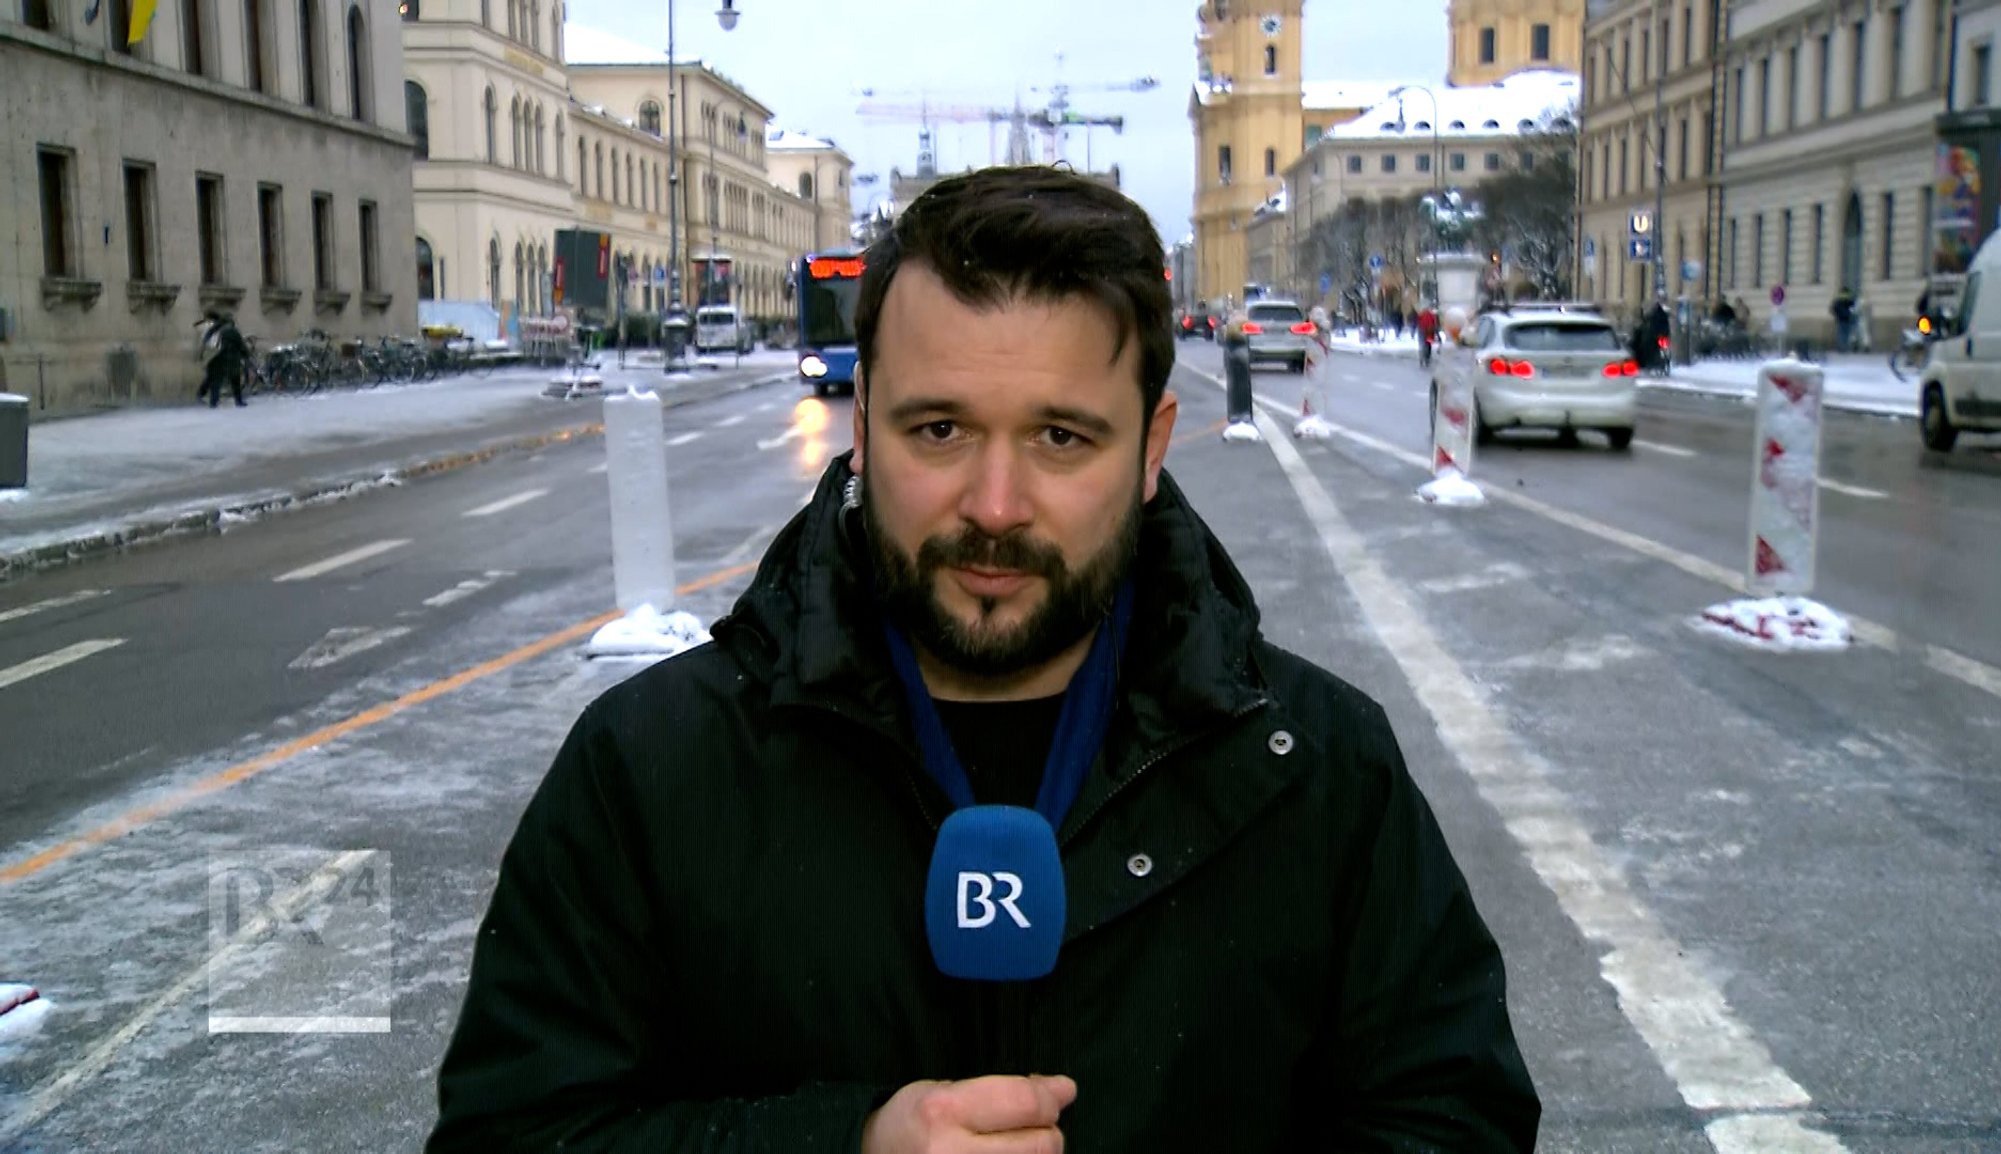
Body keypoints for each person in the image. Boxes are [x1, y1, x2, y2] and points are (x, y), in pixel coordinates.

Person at [426, 166, 1540, 1153]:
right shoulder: (650, 771)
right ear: (862, 423)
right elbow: (512, 1128)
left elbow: (1451, 1114)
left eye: (1061, 436)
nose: (993, 507)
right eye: (939, 430)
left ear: (1149, 447)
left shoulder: (1316, 768)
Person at [200, 312, 250, 408]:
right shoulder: (232, 331)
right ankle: (238, 401)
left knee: (216, 382)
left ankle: (213, 402)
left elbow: (205, 342)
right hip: (231, 359)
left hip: (215, 358)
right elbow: (241, 345)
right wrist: (246, 355)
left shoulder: (214, 330)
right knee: (235, 381)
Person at [1830, 285, 1857, 353]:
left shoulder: (1838, 301)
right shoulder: (1849, 300)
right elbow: (1853, 308)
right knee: (1845, 334)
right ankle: (1844, 348)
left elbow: (1833, 309)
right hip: (1846, 319)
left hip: (1841, 319)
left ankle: (1842, 348)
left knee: (1842, 334)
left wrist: (1837, 315)